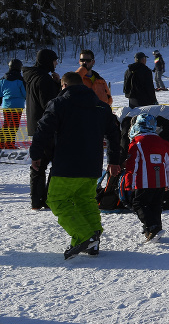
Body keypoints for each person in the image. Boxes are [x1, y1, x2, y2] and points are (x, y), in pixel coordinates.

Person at [28, 71, 121, 258]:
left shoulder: (59, 103)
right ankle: (93, 236)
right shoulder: (102, 107)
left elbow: (43, 130)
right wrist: (113, 160)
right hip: (92, 164)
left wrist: (36, 155)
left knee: (56, 199)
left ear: (64, 86)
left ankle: (83, 235)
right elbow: (114, 133)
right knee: (84, 200)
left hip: (66, 164)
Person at [119, 104, 169, 209]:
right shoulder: (134, 113)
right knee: (163, 160)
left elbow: (125, 143)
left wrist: (121, 161)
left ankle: (167, 198)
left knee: (161, 161)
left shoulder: (127, 119)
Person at [118, 113, 169, 241]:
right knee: (156, 205)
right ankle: (156, 227)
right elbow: (168, 165)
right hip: (160, 181)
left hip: (143, 181)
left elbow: (132, 166)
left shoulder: (137, 143)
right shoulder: (162, 143)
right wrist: (168, 184)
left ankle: (151, 226)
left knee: (139, 204)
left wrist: (129, 183)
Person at [23, 49, 61, 209]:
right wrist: (57, 85)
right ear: (48, 61)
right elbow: (50, 104)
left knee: (38, 164)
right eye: (54, 60)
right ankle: (46, 198)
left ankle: (37, 200)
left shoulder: (32, 77)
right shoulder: (44, 79)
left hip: (35, 126)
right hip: (46, 127)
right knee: (56, 163)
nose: (56, 63)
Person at [1, 59, 26, 149]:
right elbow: (25, 93)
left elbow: (0, 92)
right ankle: (9, 144)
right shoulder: (20, 80)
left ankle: (2, 143)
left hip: (6, 105)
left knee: (6, 124)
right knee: (14, 124)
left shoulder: (3, 79)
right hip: (17, 105)